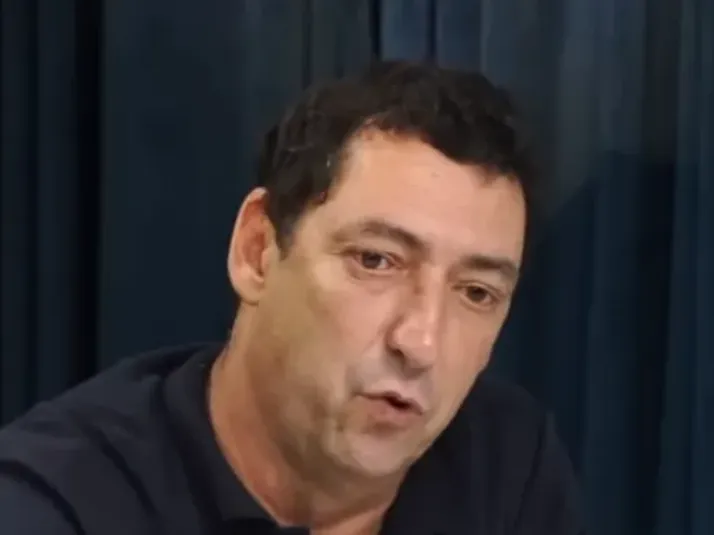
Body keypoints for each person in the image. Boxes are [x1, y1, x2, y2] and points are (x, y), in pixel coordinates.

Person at [0, 60, 585, 534]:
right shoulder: (55, 501)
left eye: (476, 292)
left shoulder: (509, 468)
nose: (421, 343)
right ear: (257, 250)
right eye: (375, 260)